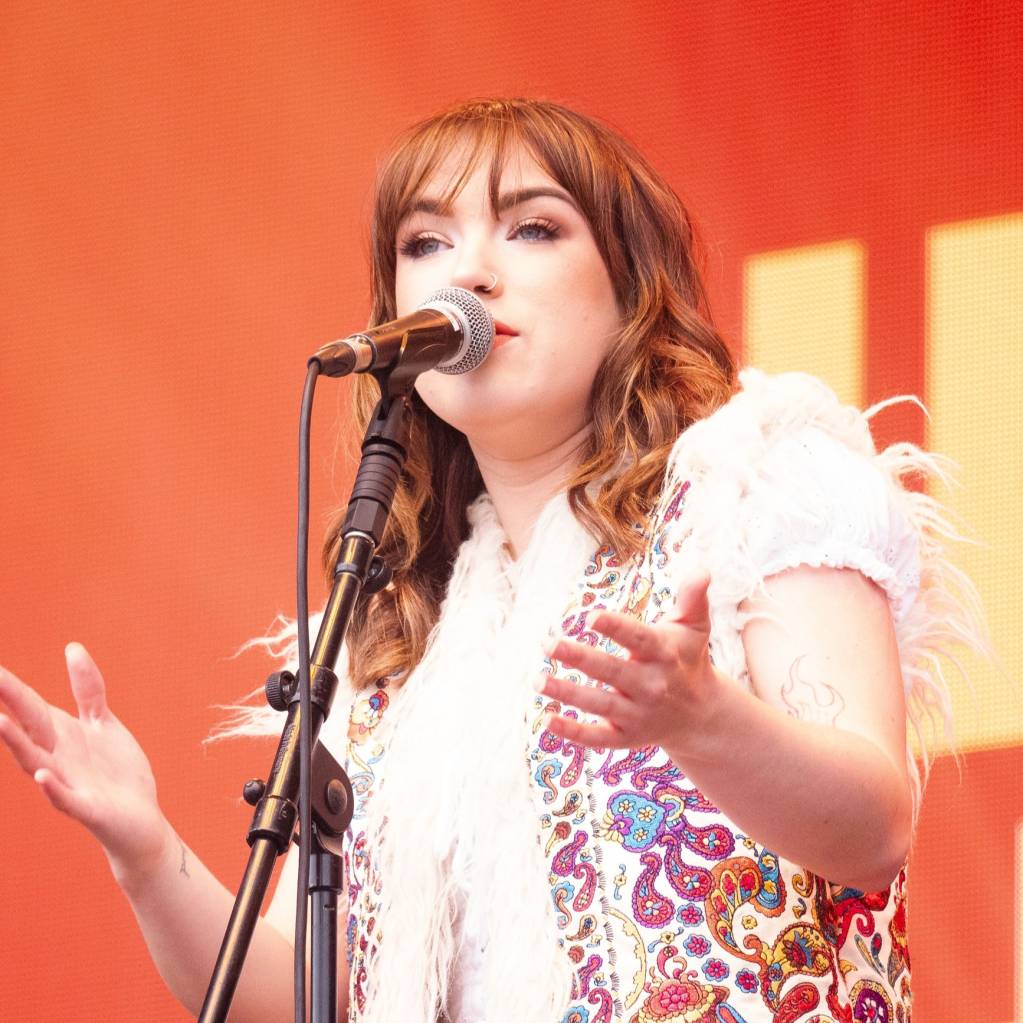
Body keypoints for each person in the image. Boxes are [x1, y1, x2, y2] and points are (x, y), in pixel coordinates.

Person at [0, 98, 983, 1023]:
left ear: (630, 286)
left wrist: (705, 719)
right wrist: (144, 849)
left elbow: (871, 829)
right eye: (424, 242)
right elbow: (312, 991)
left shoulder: (756, 482)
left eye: (533, 228)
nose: (465, 272)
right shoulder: (389, 637)